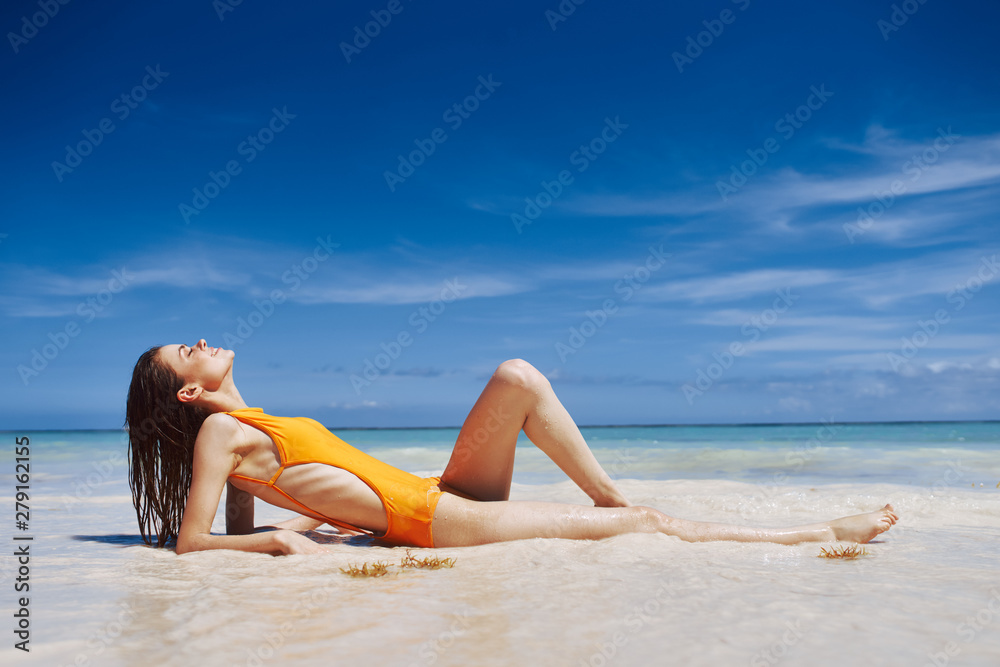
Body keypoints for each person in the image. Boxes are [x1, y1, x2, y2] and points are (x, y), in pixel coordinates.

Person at [125, 339, 898, 555]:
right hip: (431, 520)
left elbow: (261, 503)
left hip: (430, 494)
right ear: (190, 393)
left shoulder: (242, 427)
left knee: (518, 377)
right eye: (185, 353)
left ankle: (613, 498)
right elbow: (196, 543)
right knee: (649, 526)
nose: (200, 341)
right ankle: (820, 534)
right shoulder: (224, 431)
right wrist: (277, 548)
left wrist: (309, 525)